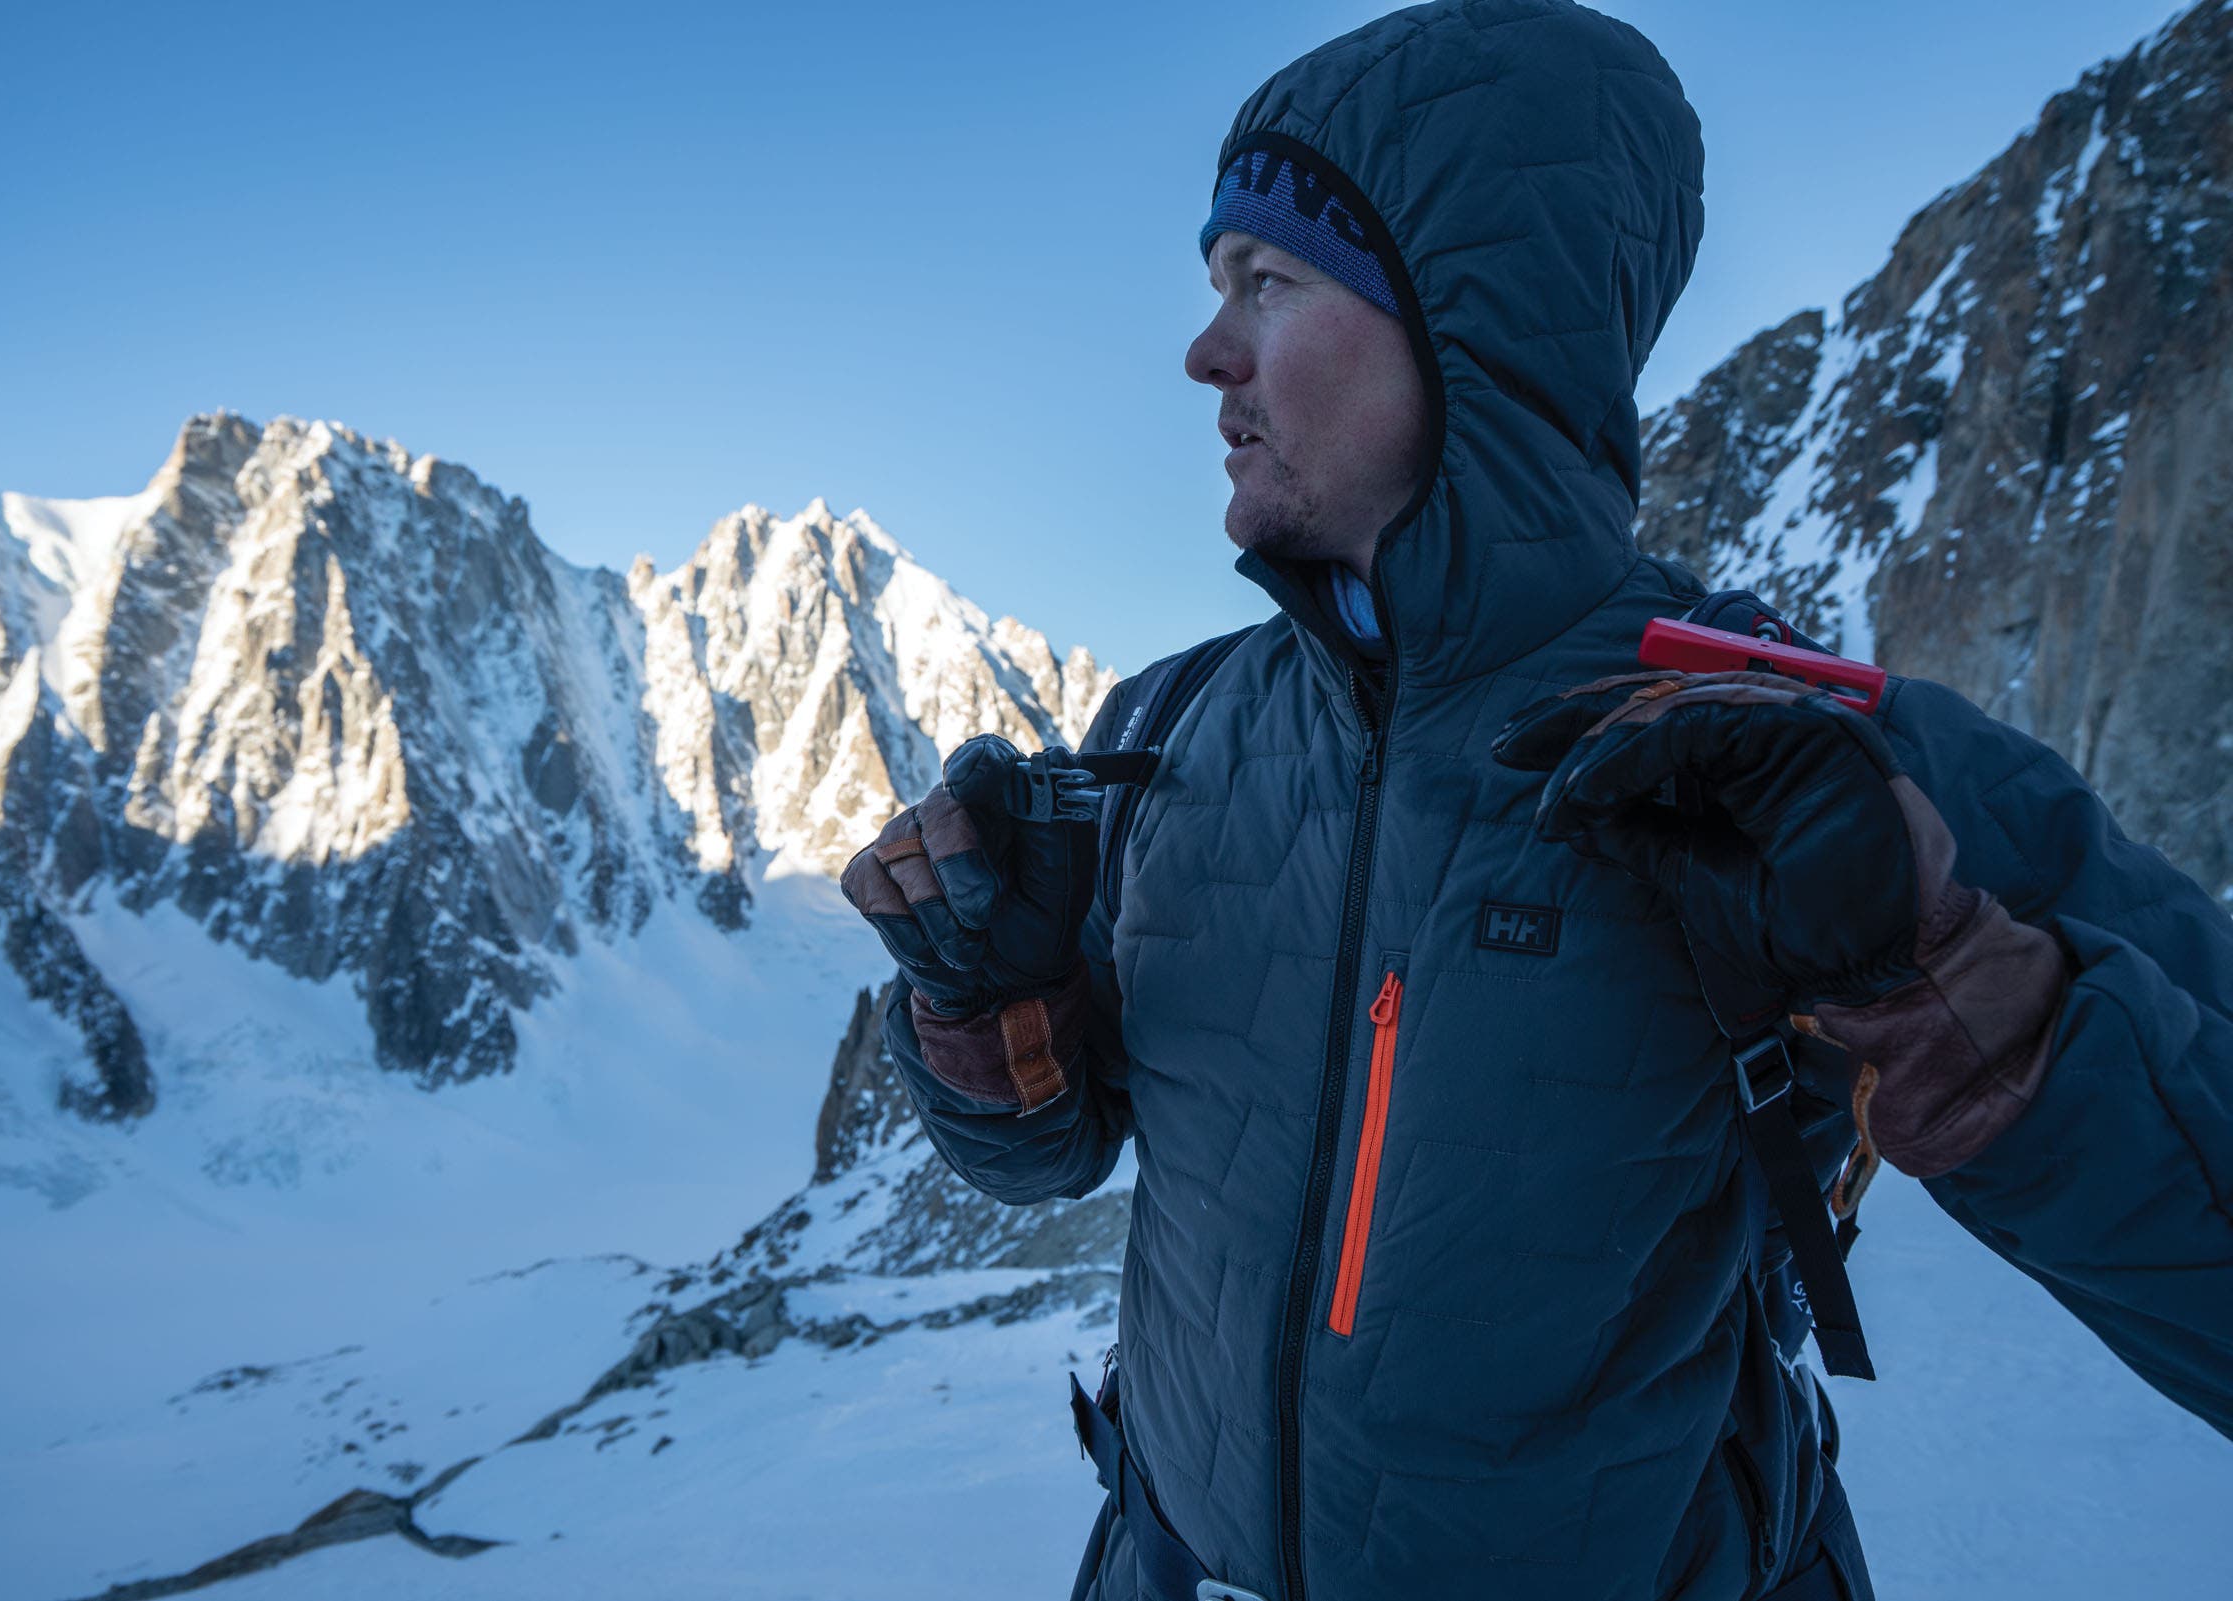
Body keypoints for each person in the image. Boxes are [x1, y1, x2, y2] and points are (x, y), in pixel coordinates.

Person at [839, 3, 2233, 1598]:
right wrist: (984, 999)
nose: (1204, 349)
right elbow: (1047, 1154)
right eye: (1214, 284)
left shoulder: (1780, 751)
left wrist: (1946, 980)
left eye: (1268, 284)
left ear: (1468, 326)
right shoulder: (1172, 730)